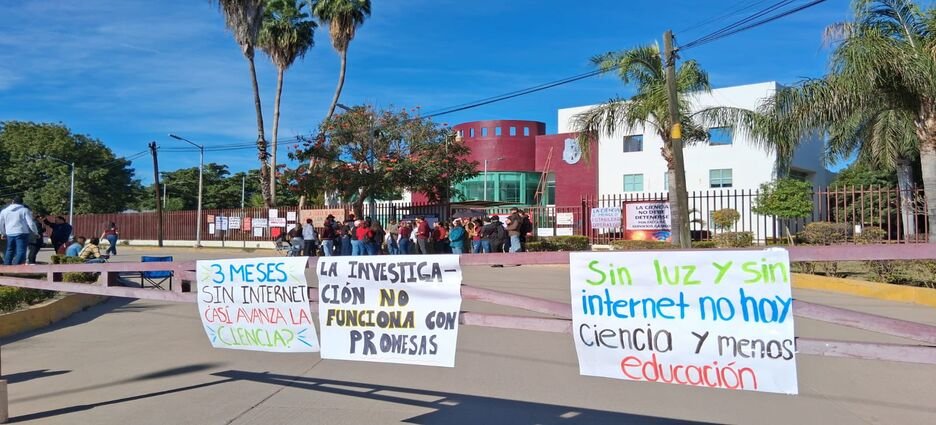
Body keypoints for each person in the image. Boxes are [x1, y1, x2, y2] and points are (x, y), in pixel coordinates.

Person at [0, 196, 39, 265]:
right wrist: (36, 233)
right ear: (21, 203)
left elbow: (1, 223)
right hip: (22, 232)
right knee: (21, 250)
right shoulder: (24, 210)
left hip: (10, 233)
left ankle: (6, 265)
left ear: (12, 202)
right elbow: (31, 223)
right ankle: (16, 265)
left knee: (10, 250)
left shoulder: (4, 211)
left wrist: (3, 233)